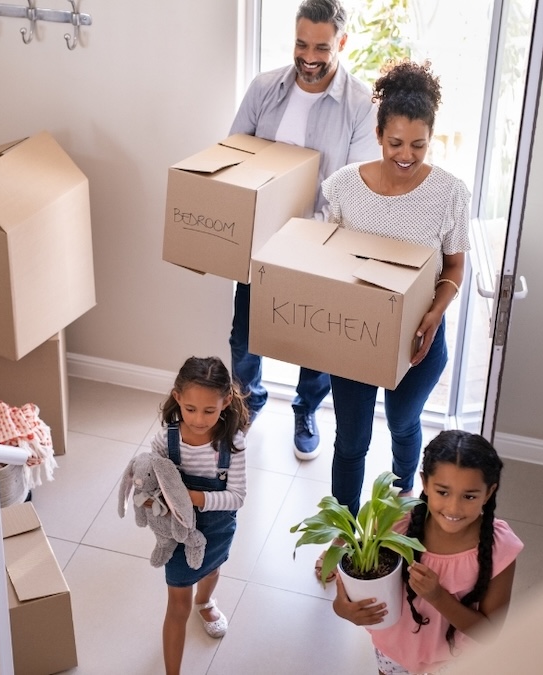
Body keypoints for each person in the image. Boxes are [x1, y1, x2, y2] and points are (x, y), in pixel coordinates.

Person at [229, 0, 380, 461]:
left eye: (321, 47)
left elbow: (355, 188)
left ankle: (306, 409)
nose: (309, 57)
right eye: (301, 44)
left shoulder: (360, 105)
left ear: (342, 42)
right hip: (259, 241)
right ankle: (247, 404)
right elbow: (233, 155)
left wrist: (305, 234)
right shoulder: (264, 88)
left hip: (320, 244)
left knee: (315, 343)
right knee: (244, 336)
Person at [321, 59, 471, 516]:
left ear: (431, 139)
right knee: (351, 440)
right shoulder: (343, 187)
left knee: (404, 422)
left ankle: (403, 498)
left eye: (418, 145)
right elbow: (326, 258)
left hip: (419, 337)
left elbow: (455, 266)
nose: (406, 155)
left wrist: (435, 313)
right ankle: (343, 530)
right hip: (355, 335)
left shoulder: (449, 193)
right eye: (396, 143)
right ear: (378, 134)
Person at [333, 430, 523, 674]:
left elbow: (490, 633)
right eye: (443, 492)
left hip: (455, 661)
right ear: (424, 482)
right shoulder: (395, 525)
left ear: (488, 492)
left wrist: (438, 597)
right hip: (393, 650)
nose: (453, 507)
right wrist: (343, 608)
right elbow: (354, 585)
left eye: (469, 496)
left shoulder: (500, 549)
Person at [149, 356, 249, 675]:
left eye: (209, 410)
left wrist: (191, 497)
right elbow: (151, 481)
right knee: (177, 606)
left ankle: (204, 602)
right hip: (178, 533)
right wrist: (152, 501)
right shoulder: (165, 441)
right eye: (190, 409)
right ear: (177, 398)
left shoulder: (232, 444)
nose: (198, 419)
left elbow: (237, 497)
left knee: (212, 570)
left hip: (217, 528)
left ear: (226, 402)